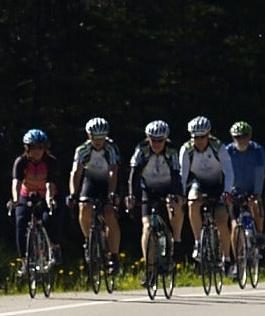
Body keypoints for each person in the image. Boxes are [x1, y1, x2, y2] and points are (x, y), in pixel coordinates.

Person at [180, 116, 235, 272]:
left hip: (218, 185)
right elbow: (182, 175)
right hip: (199, 183)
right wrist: (181, 194)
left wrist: (227, 191)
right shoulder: (187, 149)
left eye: (203, 137)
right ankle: (198, 242)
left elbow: (229, 171)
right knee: (192, 202)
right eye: (195, 137)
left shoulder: (218, 147)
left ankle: (227, 259)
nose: (199, 140)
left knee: (221, 220)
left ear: (209, 134)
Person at [70, 117, 123, 274]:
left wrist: (112, 194)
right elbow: (76, 172)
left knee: (109, 214)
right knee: (84, 207)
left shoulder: (111, 148)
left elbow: (113, 172)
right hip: (91, 181)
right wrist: (73, 194)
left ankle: (114, 256)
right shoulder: (82, 150)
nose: (99, 141)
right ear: (89, 135)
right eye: (95, 137)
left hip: (108, 181)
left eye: (102, 137)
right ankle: (89, 240)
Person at [127, 120, 183, 265]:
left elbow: (176, 174)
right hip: (148, 188)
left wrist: (175, 195)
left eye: (160, 140)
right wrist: (132, 195)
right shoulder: (142, 149)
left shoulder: (171, 150)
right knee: (146, 226)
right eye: (153, 140)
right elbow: (134, 174)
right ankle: (149, 267)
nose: (157, 144)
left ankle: (177, 241)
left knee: (176, 207)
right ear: (148, 138)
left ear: (166, 139)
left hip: (168, 187)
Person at [11, 128, 63, 273]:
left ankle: (55, 247)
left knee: (49, 219)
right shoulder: (21, 162)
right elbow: (16, 182)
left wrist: (49, 199)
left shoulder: (51, 162)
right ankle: (24, 261)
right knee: (21, 223)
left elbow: (50, 183)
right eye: (33, 147)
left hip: (48, 194)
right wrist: (15, 199)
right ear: (27, 148)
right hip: (27, 194)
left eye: (40, 147)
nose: (37, 151)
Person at [222, 120, 265, 281]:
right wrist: (227, 192)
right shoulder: (228, 151)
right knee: (235, 225)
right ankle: (237, 262)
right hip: (235, 190)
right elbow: (223, 173)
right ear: (233, 138)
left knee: (256, 204)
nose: (241, 140)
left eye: (244, 136)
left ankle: (259, 234)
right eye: (238, 137)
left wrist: (257, 193)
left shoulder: (257, 150)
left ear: (250, 136)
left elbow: (260, 173)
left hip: (253, 187)